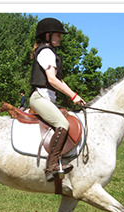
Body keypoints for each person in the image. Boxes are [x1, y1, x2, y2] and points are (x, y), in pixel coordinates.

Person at [29, 18, 86, 182]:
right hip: (39, 97)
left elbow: (58, 80)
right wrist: (73, 96)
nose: (61, 37)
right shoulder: (46, 52)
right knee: (63, 124)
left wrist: (75, 95)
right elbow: (52, 80)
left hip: (46, 98)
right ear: (48, 35)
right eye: (58, 34)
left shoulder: (49, 51)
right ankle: (51, 166)